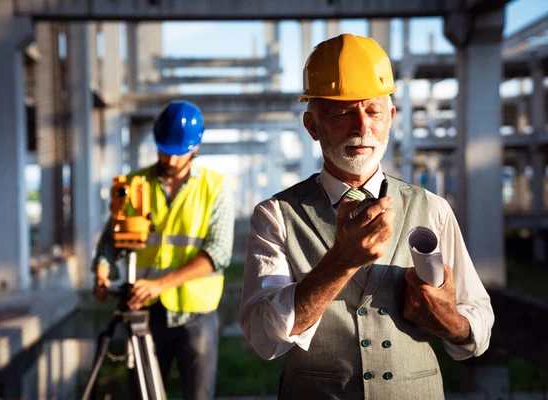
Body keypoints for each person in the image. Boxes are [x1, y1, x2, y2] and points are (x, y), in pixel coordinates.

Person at [239, 34, 494, 399]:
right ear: (312, 126)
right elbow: (264, 336)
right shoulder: (276, 216)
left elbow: (478, 322)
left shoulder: (432, 208)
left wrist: (450, 322)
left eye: (372, 111)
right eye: (342, 113)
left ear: (389, 118)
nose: (362, 126)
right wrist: (340, 262)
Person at [92, 100, 235, 400]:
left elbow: (218, 253)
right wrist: (102, 271)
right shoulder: (134, 184)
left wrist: (159, 285)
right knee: (141, 393)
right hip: (144, 313)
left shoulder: (215, 187)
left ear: (195, 147)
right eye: (164, 149)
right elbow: (111, 239)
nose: (169, 159)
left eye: (177, 152)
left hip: (196, 314)